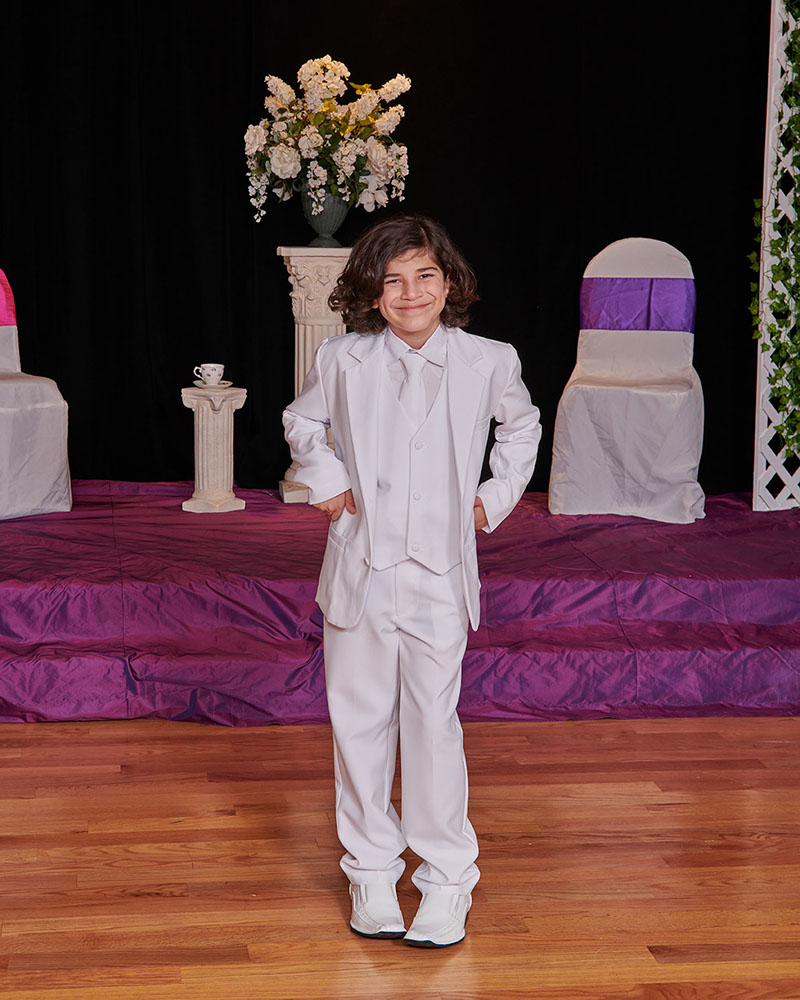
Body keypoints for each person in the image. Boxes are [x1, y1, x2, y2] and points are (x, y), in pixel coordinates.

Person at [282, 214, 541, 947]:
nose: (410, 292)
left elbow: (521, 428)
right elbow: (303, 423)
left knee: (434, 724)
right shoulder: (342, 358)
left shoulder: (490, 360)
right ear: (372, 293)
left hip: (440, 573)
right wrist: (327, 478)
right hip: (362, 566)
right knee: (359, 721)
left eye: (425, 275)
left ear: (449, 282)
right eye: (392, 281)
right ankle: (370, 870)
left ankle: (447, 879)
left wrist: (493, 497)